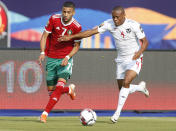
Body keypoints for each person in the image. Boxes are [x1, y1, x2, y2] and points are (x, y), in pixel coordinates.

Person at [58, 6, 149, 123]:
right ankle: (140, 87)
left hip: (134, 58)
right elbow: (90, 32)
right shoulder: (108, 24)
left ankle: (117, 114)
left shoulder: (133, 25)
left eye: (117, 17)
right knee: (123, 89)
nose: (115, 19)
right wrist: (70, 37)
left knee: (126, 82)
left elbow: (145, 42)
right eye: (113, 17)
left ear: (123, 16)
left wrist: (139, 52)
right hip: (121, 60)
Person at [38, 1, 82, 123]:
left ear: (73, 13)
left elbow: (77, 46)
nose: (66, 14)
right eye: (64, 11)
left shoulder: (77, 27)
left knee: (58, 88)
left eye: (68, 12)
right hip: (51, 58)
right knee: (51, 92)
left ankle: (44, 114)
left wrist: (68, 57)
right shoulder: (53, 19)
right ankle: (69, 90)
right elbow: (44, 36)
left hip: (65, 60)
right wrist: (42, 52)